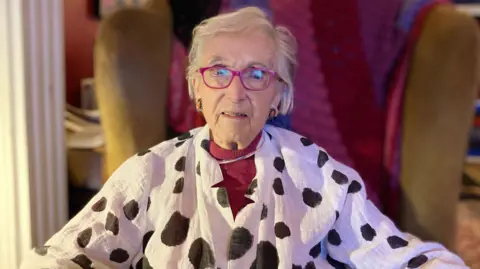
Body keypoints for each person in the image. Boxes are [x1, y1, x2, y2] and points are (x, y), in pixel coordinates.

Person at [21, 6, 467, 269]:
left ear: (279, 94)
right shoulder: (150, 172)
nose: (235, 92)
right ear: (196, 87)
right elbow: (65, 255)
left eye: (256, 74)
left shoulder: (316, 173)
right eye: (218, 72)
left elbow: (391, 255)